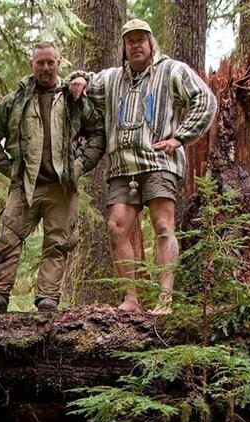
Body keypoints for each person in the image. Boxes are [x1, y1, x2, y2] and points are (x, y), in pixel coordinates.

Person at [67, 19, 217, 315]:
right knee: (116, 226)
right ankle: (131, 298)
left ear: (151, 43)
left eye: (140, 39)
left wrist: (180, 137)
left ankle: (164, 299)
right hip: (121, 168)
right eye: (130, 41)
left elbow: (205, 100)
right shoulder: (112, 79)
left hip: (159, 162)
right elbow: (83, 80)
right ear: (124, 47)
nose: (135, 45)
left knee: (163, 225)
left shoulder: (172, 70)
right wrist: (79, 79)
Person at [0, 41, 106, 314]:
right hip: (25, 185)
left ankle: (48, 297)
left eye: (50, 62)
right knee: (8, 237)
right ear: (31, 65)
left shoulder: (73, 100)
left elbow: (98, 133)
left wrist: (79, 166)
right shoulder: (14, 101)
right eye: (40, 63)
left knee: (58, 243)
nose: (45, 68)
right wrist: (11, 168)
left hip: (62, 186)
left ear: (59, 63)